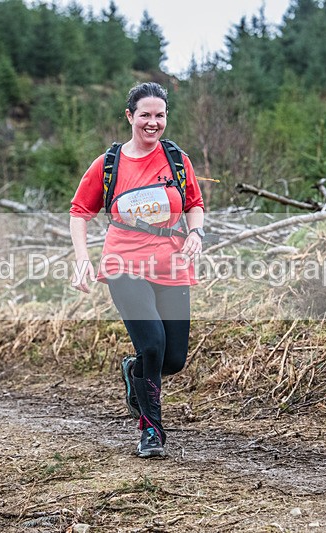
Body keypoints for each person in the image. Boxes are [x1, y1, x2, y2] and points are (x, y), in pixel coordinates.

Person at [69, 82, 206, 458]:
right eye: (145, 115)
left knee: (173, 358)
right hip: (124, 263)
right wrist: (83, 258)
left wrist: (195, 231)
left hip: (172, 263)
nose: (153, 122)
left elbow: (194, 203)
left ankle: (135, 372)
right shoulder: (108, 164)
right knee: (152, 345)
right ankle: (151, 431)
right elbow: (80, 213)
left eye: (159, 115)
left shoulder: (177, 159)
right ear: (130, 117)